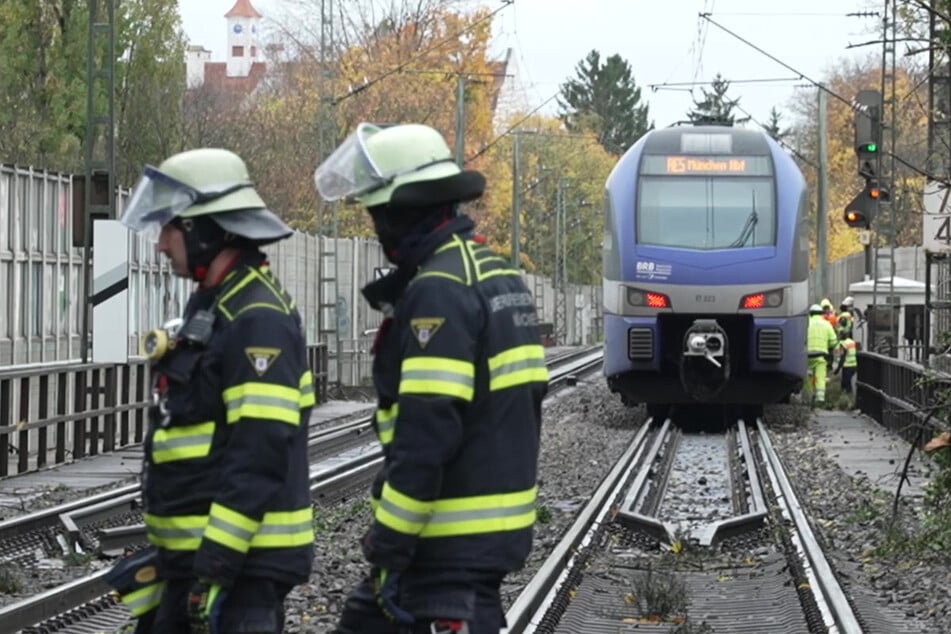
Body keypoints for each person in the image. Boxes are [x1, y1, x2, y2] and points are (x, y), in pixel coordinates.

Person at [314, 122, 549, 634]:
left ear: (402, 212)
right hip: (484, 540)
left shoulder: (439, 289)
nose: (376, 229)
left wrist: (389, 541)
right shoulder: (496, 275)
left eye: (377, 214)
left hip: (445, 548)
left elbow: (428, 431)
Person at [116, 148, 316, 633]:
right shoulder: (217, 306)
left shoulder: (256, 318)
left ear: (205, 230)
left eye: (170, 228)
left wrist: (216, 566)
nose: (161, 245)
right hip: (198, 563)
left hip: (239, 569)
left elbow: (259, 451)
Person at [807, 303, 839, 406]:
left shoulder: (805, 323)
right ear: (821, 314)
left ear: (810, 314)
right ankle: (820, 399)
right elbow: (834, 342)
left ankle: (807, 399)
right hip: (820, 356)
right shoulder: (826, 324)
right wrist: (827, 345)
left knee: (808, 377)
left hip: (806, 355)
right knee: (820, 378)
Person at [833, 330, 859, 402]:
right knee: (848, 382)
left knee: (846, 383)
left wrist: (838, 369)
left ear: (841, 336)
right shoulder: (852, 342)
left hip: (847, 366)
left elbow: (842, 357)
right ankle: (848, 398)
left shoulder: (844, 344)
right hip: (854, 365)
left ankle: (848, 399)